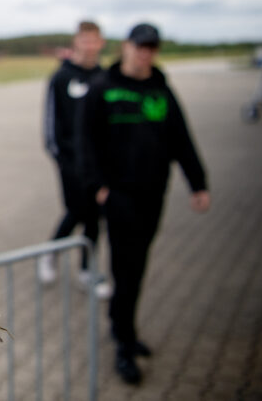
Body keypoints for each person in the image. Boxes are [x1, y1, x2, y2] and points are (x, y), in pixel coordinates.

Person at [79, 22, 211, 385]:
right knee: (126, 268)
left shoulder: (161, 90)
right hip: (118, 196)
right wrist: (98, 186)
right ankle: (123, 342)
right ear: (126, 46)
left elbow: (182, 138)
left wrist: (197, 183)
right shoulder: (102, 89)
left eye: (151, 48)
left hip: (153, 194)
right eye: (140, 46)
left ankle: (123, 328)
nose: (145, 53)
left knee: (137, 267)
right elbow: (85, 142)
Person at [38, 21, 112, 299]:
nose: (90, 44)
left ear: (101, 43)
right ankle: (50, 254)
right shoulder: (62, 77)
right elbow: (51, 123)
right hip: (70, 162)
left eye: (95, 40)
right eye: (85, 39)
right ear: (76, 42)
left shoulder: (105, 77)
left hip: (99, 163)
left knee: (95, 216)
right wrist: (60, 157)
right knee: (78, 211)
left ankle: (86, 270)